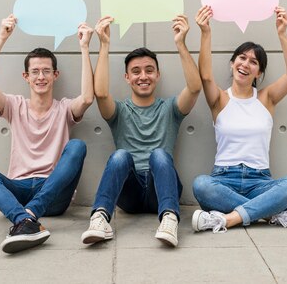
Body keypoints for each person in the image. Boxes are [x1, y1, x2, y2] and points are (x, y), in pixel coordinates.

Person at [0, 14, 94, 253]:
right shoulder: (14, 105)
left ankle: (27, 217)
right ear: (26, 77)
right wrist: (1, 38)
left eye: (46, 71)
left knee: (77, 146)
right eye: (35, 72)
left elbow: (88, 98)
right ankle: (24, 219)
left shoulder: (64, 109)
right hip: (19, 190)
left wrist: (84, 47)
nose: (41, 77)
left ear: (55, 75)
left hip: (53, 194)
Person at [81, 14, 201, 248]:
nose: (143, 76)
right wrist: (104, 44)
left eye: (149, 70)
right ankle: (100, 218)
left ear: (158, 75)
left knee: (159, 155)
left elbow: (195, 88)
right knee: (120, 155)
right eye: (136, 71)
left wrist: (180, 43)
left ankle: (169, 218)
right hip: (130, 195)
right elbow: (101, 94)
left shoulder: (170, 109)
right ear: (127, 78)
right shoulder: (120, 111)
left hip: (162, 190)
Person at [192, 5, 287, 233]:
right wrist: (205, 32)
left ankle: (227, 219)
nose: (246, 64)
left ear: (259, 73)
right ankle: (270, 214)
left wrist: (282, 34)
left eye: (254, 62)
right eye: (242, 58)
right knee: (201, 185)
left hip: (260, 181)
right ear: (233, 63)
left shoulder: (266, 98)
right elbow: (205, 75)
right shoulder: (220, 100)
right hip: (223, 180)